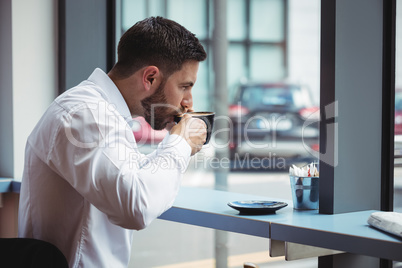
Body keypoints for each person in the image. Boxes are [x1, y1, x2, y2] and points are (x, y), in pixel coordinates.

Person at [18, 16, 207, 268]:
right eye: (185, 87)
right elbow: (135, 208)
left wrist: (179, 145)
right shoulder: (84, 114)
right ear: (150, 78)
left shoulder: (105, 114)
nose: (189, 102)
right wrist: (180, 143)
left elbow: (130, 177)